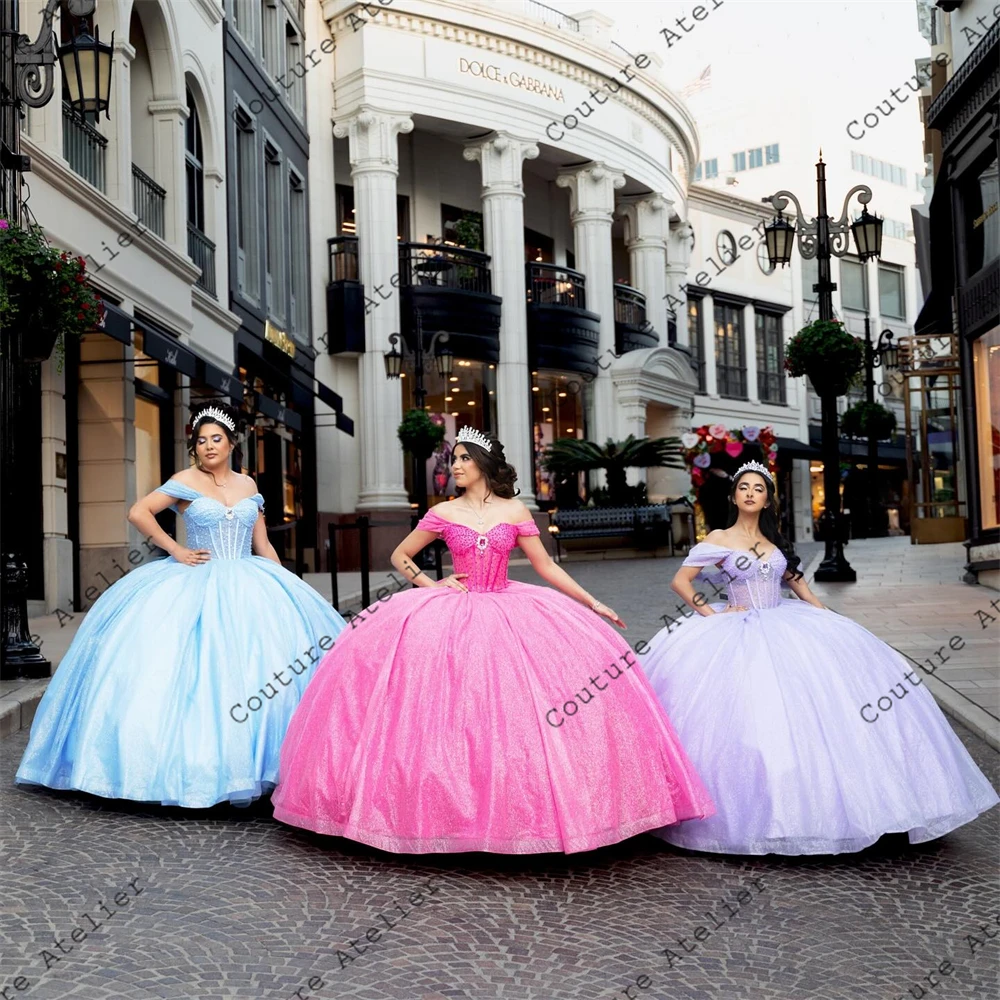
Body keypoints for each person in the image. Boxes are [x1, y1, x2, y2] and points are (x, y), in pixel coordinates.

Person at [272, 427, 713, 854]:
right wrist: (431, 585)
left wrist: (592, 602)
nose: (455, 466)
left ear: (483, 464)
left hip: (508, 605)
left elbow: (546, 567)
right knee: (444, 708)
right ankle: (435, 812)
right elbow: (400, 555)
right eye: (453, 460)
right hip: (453, 610)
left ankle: (521, 814)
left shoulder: (515, 511)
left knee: (517, 708)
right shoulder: (444, 512)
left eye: (464, 458)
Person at [641, 460, 999, 856]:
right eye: (743, 487)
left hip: (783, 620)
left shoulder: (774, 540)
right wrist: (712, 615)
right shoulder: (720, 538)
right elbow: (680, 581)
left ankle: (861, 806)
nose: (749, 493)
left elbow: (794, 581)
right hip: (738, 626)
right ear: (733, 495)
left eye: (758, 489)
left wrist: (821, 611)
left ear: (766, 499)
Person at [17, 404, 346, 808]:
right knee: (185, 673)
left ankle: (272, 765)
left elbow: (262, 544)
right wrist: (176, 549)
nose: (208, 446)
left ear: (231, 443)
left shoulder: (248, 486)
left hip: (249, 579)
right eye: (201, 440)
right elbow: (139, 512)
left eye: (216, 439)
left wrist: (287, 588)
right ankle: (188, 770)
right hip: (195, 579)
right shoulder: (184, 481)